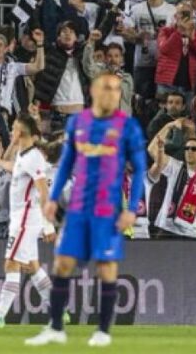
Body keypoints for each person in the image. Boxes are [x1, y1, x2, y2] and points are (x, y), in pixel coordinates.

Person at [26, 73, 147, 347]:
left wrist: (132, 208)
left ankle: (103, 331)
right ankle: (56, 327)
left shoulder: (128, 126)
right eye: (107, 88)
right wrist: (53, 198)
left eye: (117, 89)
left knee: (106, 267)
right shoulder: (78, 123)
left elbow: (139, 169)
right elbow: (67, 163)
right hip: (79, 207)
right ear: (93, 90)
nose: (113, 93)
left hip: (108, 208)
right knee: (62, 264)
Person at [0, 114, 55, 327]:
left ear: (20, 132)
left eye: (13, 128)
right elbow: (15, 169)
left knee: (11, 263)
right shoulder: (24, 154)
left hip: (25, 221)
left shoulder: (34, 158)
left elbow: (43, 190)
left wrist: (48, 225)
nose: (11, 131)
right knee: (31, 266)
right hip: (21, 219)